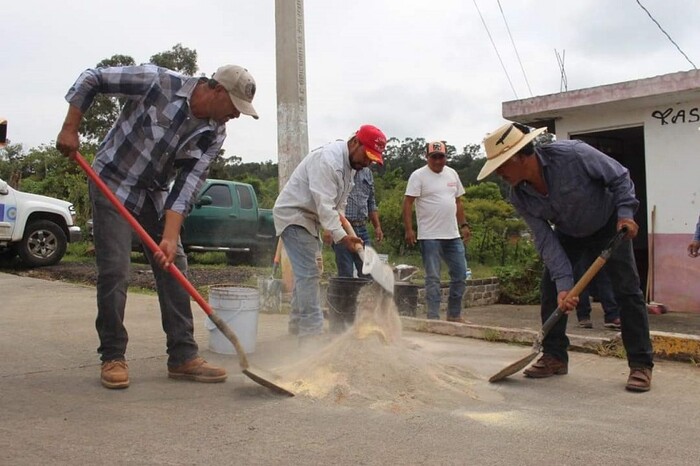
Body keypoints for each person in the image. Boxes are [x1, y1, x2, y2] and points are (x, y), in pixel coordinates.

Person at [56, 63, 259, 389]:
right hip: (112, 182)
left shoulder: (214, 132)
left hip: (153, 195)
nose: (236, 115)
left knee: (174, 264)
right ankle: (113, 355)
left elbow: (188, 185)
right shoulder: (159, 82)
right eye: (235, 106)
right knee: (116, 270)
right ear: (216, 90)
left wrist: (168, 236)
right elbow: (92, 78)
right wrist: (70, 128)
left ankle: (182, 356)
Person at [478, 122, 654, 392]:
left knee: (627, 291)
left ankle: (641, 364)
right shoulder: (519, 196)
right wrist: (564, 285)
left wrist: (626, 214)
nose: (499, 174)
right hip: (568, 233)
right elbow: (545, 239)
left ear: (519, 156)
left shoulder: (573, 155)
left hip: (609, 225)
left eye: (501, 166)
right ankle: (555, 356)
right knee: (550, 290)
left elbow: (619, 177)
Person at [273, 125, 386, 341]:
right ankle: (311, 334)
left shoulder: (351, 167)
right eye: (367, 156)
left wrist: (344, 231)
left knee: (307, 273)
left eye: (373, 160)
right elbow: (325, 205)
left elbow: (338, 206)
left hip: (310, 219)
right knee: (309, 274)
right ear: (355, 143)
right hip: (294, 216)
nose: (368, 163)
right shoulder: (329, 160)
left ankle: (298, 325)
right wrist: (341, 237)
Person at [402, 141, 471, 323]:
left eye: (442, 157)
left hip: (452, 234)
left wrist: (464, 225)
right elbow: (408, 203)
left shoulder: (452, 174)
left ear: (446, 157)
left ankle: (454, 314)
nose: (438, 161)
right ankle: (433, 317)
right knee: (433, 277)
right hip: (429, 235)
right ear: (428, 157)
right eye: (434, 157)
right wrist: (409, 229)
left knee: (461, 274)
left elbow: (458, 202)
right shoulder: (418, 176)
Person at [330, 167, 383, 278]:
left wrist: (377, 226)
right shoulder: (341, 169)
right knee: (346, 273)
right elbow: (330, 201)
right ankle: (345, 295)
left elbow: (371, 202)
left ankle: (364, 296)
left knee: (368, 273)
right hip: (343, 229)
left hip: (362, 228)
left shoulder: (367, 173)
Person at [574, 254, 621, 330]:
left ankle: (612, 314)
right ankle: (583, 314)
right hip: (579, 243)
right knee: (581, 273)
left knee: (605, 272)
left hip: (599, 244)